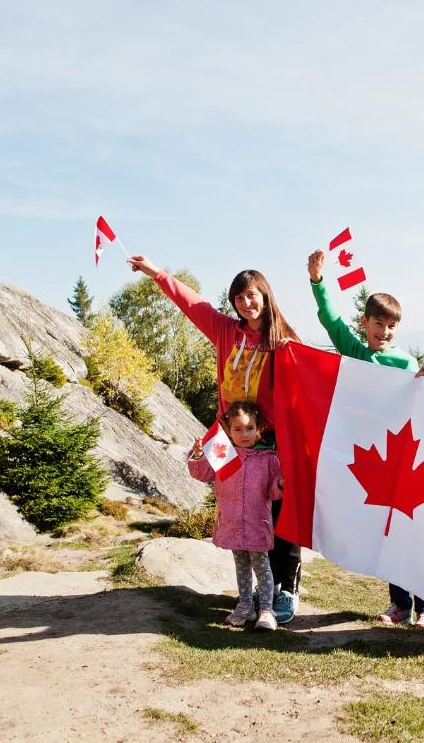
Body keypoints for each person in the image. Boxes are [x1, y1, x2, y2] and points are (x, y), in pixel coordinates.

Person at [128, 256, 303, 623]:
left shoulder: (284, 341)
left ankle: (284, 590)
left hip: (270, 441)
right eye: (239, 297)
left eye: (251, 295)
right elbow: (192, 303)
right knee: (238, 510)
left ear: (265, 296)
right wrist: (156, 273)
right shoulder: (226, 331)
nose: (246, 303)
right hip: (226, 437)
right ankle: (253, 591)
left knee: (277, 512)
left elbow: (311, 380)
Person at [306, 249, 424, 630]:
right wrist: (318, 282)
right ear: (365, 323)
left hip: (408, 457)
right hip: (375, 459)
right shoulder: (356, 352)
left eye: (391, 326)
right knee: (390, 534)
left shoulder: (407, 364)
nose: (384, 332)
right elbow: (331, 321)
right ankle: (400, 605)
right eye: (378, 324)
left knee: (414, 532)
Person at [187, 401, 283, 631]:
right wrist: (198, 455)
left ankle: (267, 610)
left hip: (257, 523)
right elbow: (202, 473)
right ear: (228, 430)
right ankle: (245, 606)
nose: (244, 434)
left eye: (249, 428)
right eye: (237, 429)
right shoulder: (223, 454)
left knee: (262, 566)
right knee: (241, 565)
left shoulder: (268, 459)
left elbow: (273, 492)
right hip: (231, 522)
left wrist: (280, 483)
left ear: (258, 428)